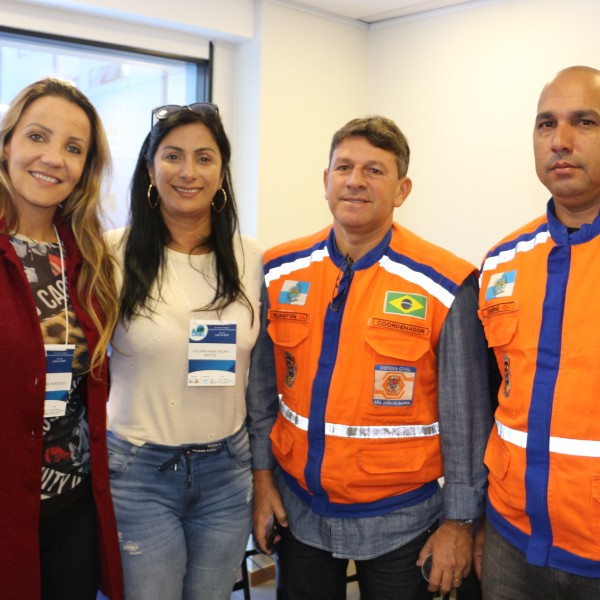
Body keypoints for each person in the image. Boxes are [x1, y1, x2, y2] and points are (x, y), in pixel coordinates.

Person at [253, 115, 492, 600]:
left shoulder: (445, 284)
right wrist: (262, 483)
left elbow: (467, 423)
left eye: (374, 170)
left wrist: (460, 524)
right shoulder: (279, 270)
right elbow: (260, 394)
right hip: (299, 513)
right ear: (326, 181)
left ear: (402, 189)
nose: (356, 180)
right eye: (344, 167)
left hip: (404, 523)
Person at [105, 102, 274, 600]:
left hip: (226, 470)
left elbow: (261, 381)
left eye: (204, 157)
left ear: (221, 172)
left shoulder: (252, 258)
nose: (188, 171)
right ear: (151, 169)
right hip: (139, 472)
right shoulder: (111, 253)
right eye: (173, 156)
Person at [476, 65, 600, 599]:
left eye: (585, 122)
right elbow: (494, 399)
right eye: (546, 124)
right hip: (511, 536)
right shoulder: (499, 263)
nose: (561, 141)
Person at [0, 78, 123, 599]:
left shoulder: (87, 256)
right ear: (7, 144)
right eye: (37, 137)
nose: (53, 158)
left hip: (73, 503)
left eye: (73, 148)